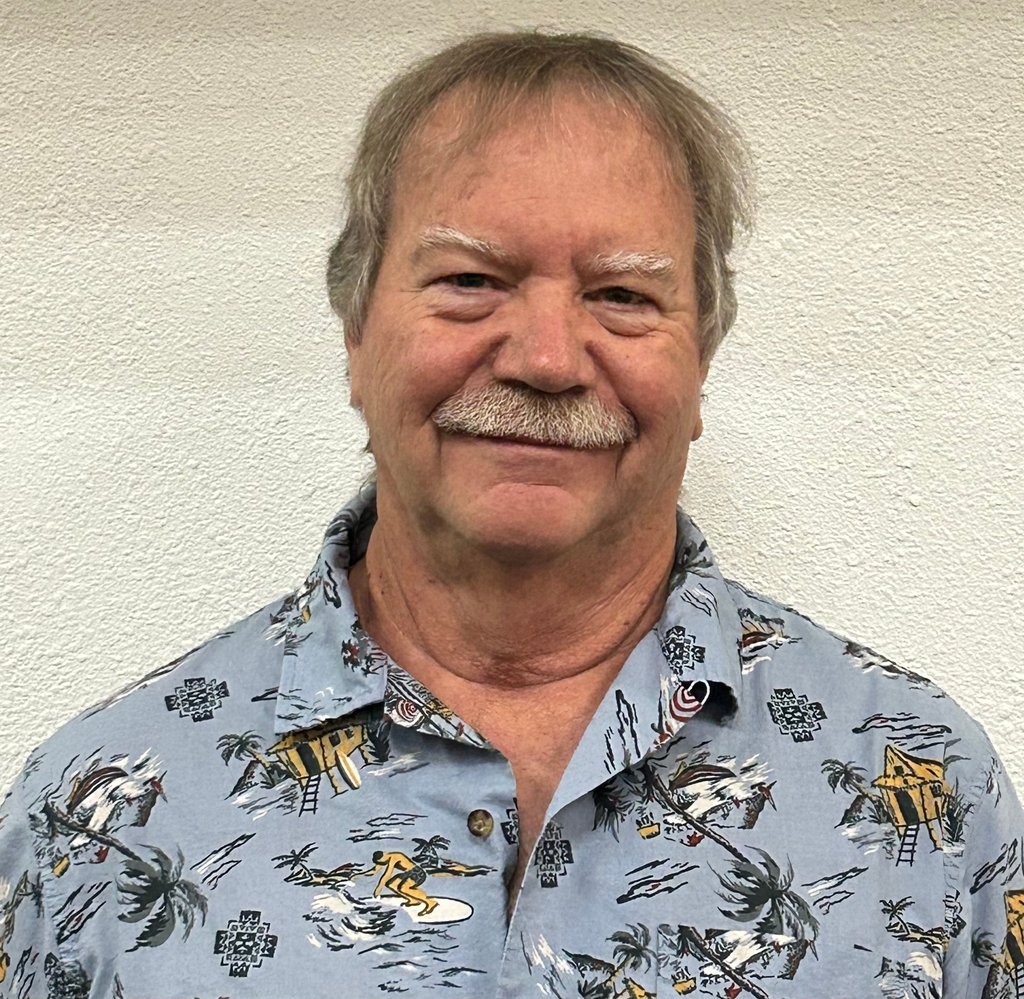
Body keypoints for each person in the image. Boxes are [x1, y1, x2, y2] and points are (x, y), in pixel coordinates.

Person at [0, 29, 1019, 999]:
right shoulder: (94, 823)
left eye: (622, 295)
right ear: (355, 336)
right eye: (470, 281)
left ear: (701, 359)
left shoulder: (930, 793)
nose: (545, 359)